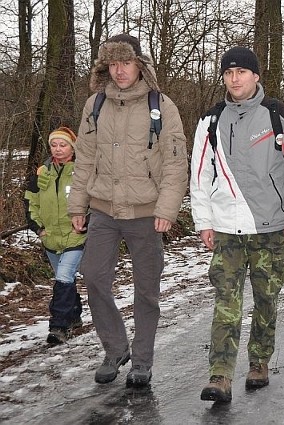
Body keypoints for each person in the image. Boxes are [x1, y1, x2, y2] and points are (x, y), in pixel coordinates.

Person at [190, 46, 284, 403]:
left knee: (266, 298)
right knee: (226, 303)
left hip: (270, 228)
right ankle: (220, 375)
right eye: (228, 73)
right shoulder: (210, 121)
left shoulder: (279, 116)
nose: (234, 78)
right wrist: (204, 221)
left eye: (241, 72)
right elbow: (200, 176)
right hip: (227, 229)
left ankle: (259, 360)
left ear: (255, 76)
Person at [68, 34, 188, 387]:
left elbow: (175, 164)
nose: (119, 71)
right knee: (93, 277)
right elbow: (85, 159)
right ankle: (115, 348)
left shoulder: (161, 106)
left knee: (146, 290)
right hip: (103, 210)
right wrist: (78, 204)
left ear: (140, 65)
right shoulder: (95, 104)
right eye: (113, 64)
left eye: (126, 63)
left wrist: (166, 208)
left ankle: (142, 361)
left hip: (146, 213)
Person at [24, 127, 85, 345]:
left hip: (75, 236)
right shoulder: (42, 173)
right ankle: (75, 314)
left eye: (63, 145)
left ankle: (59, 326)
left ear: (73, 147)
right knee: (65, 279)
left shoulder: (82, 171)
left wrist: (84, 224)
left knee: (63, 277)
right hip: (50, 237)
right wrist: (38, 227)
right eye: (54, 145)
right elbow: (31, 201)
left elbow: (94, 201)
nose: (58, 149)